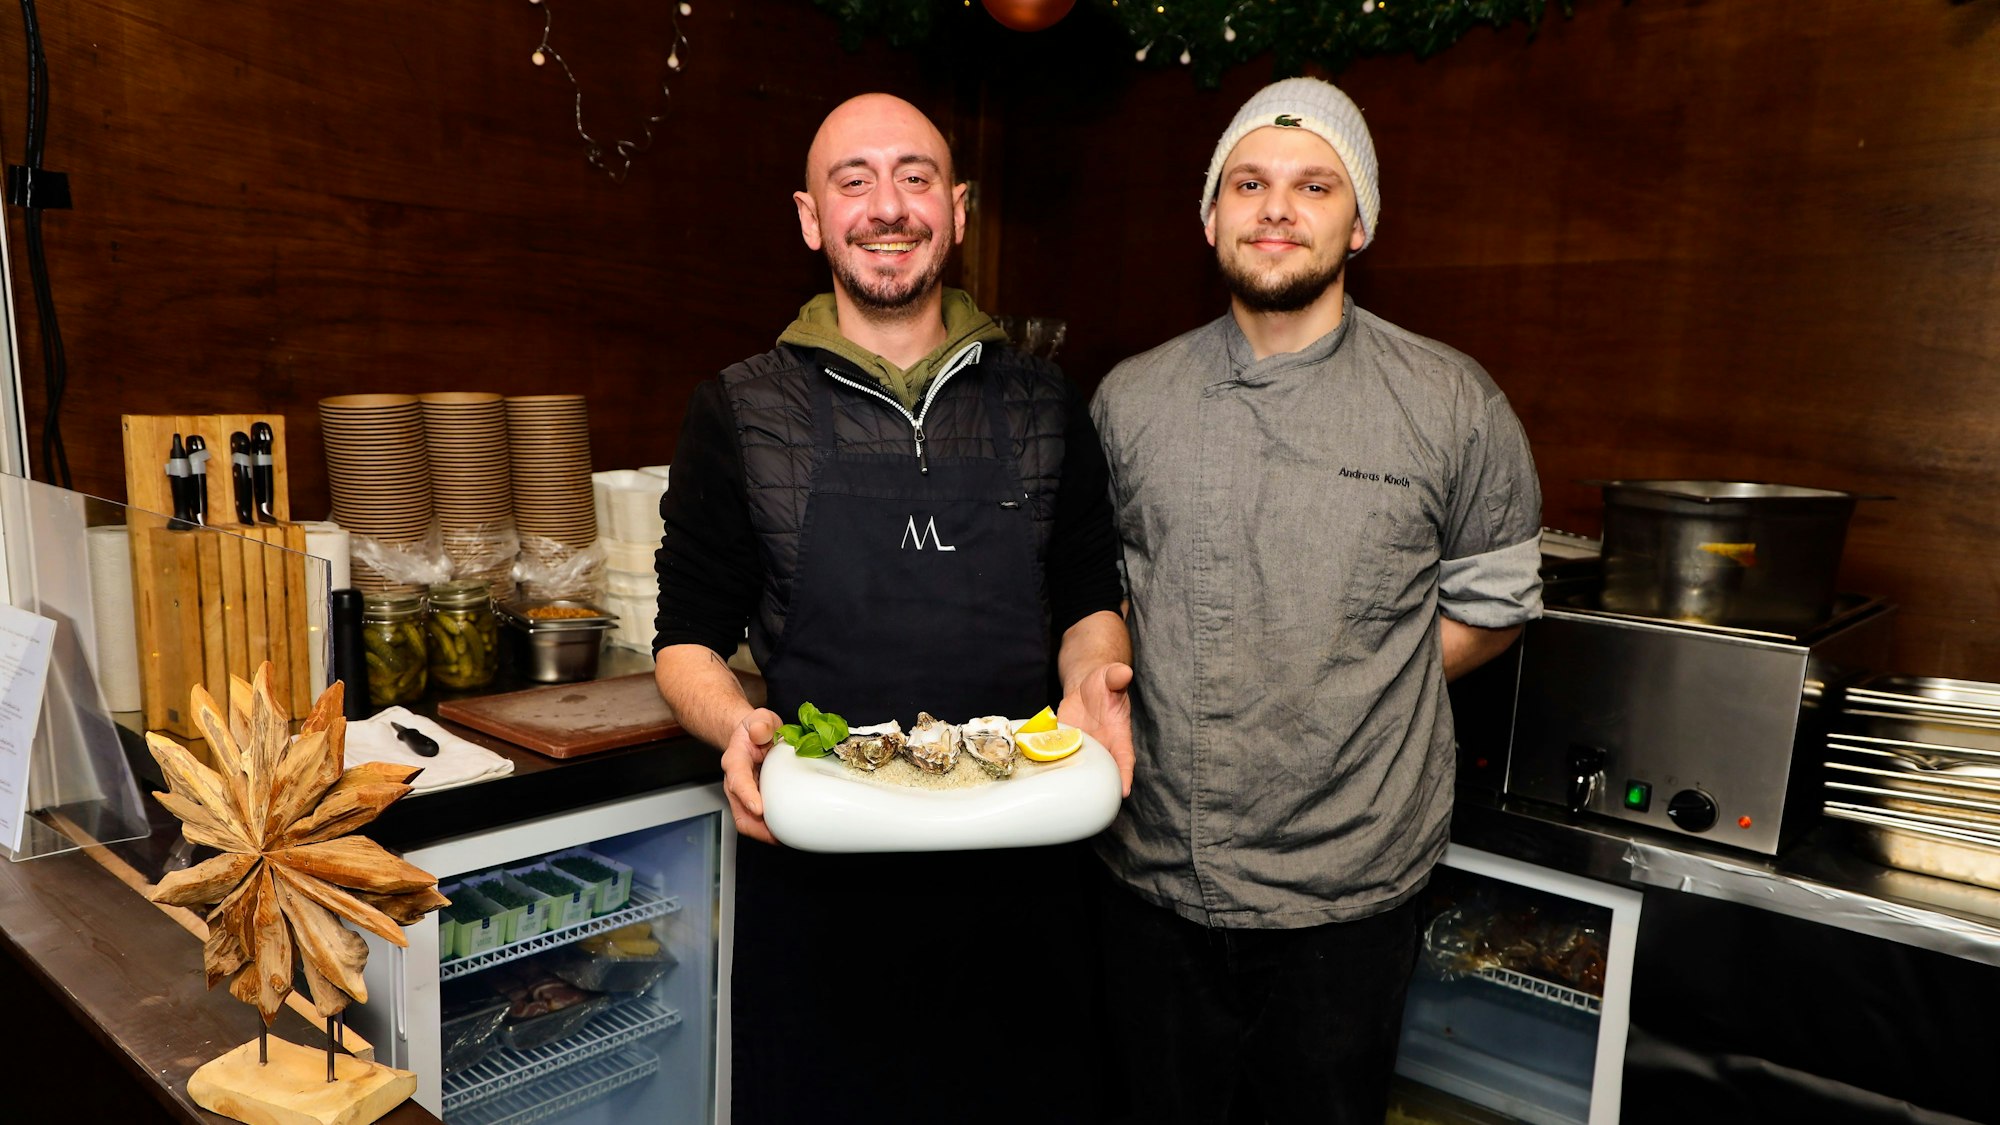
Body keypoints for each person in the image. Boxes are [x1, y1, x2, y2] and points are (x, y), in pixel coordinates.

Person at [651, 93, 1133, 1124]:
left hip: (1024, 867)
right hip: (821, 867)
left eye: (914, 177)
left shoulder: (1044, 401)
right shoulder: (737, 407)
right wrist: (735, 725)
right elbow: (687, 636)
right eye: (852, 180)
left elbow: (1091, 598)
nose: (886, 207)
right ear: (808, 216)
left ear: (955, 210)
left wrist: (1096, 681)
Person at [1089, 77, 1544, 1124]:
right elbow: (1096, 598)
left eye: (1312, 185)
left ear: (1360, 220)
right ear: (1210, 215)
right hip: (1153, 875)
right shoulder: (1130, 397)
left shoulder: (1448, 400)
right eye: (1247, 183)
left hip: (1349, 889)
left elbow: (1493, 601)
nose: (1276, 209)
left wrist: (1347, 680)